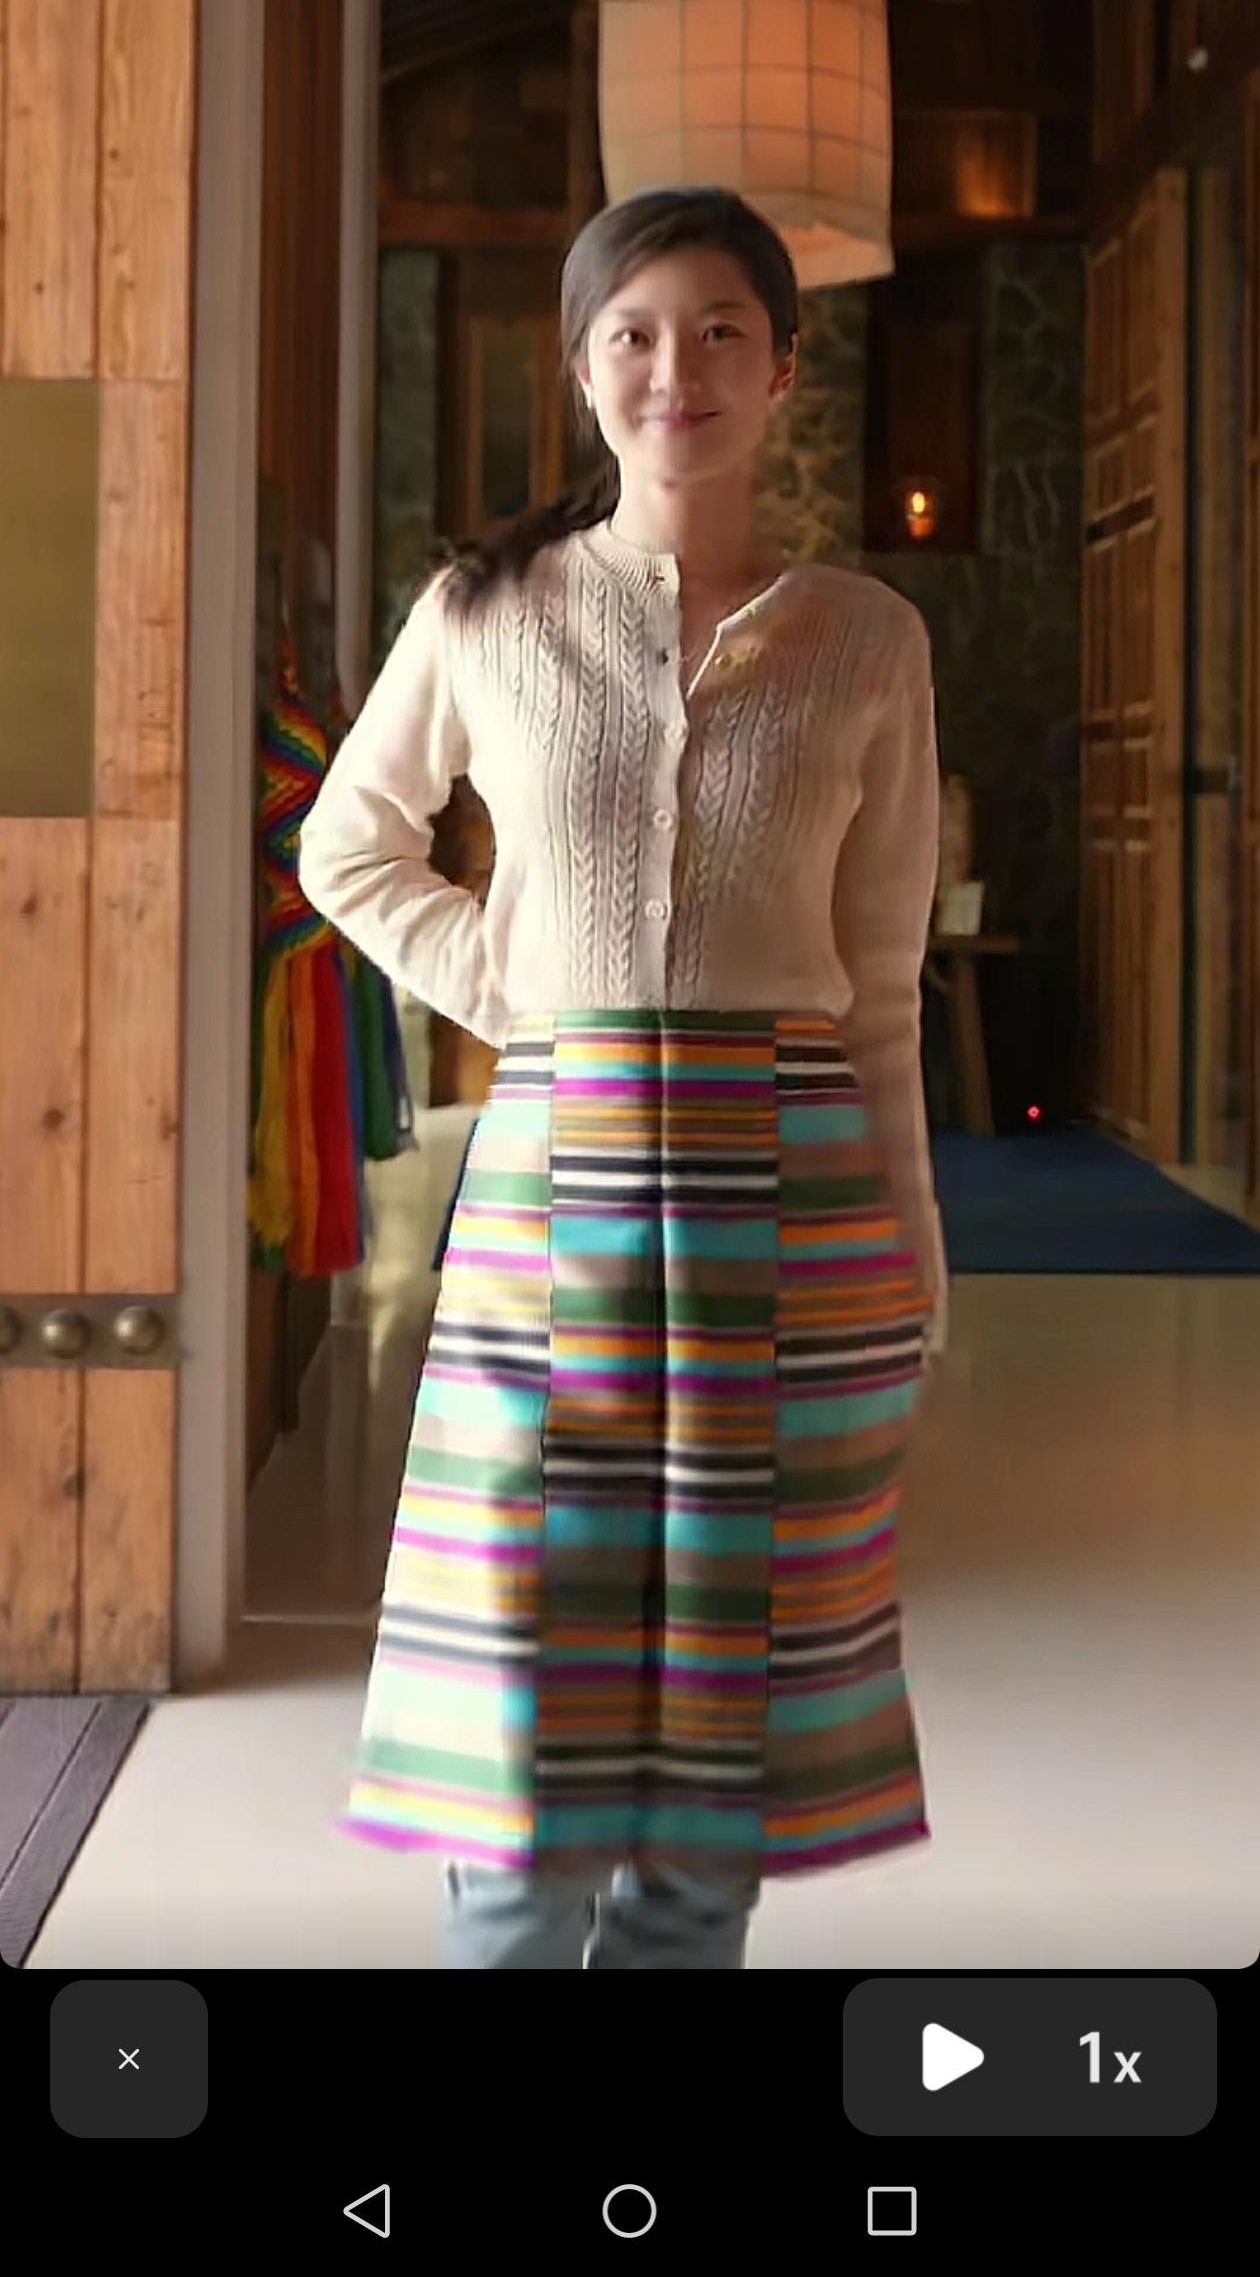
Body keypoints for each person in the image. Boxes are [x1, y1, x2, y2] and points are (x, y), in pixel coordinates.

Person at [298, 185, 948, 1971]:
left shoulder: (869, 638)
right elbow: (349, 848)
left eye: (724, 331)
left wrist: (915, 1256)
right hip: (551, 1201)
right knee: (524, 1732)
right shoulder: (485, 610)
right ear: (585, 369)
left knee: (716, 1756)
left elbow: (883, 987)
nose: (681, 370)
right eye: (637, 334)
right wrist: (512, 990)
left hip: (793, 1215)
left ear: (784, 368)